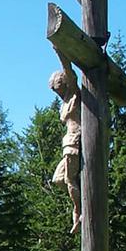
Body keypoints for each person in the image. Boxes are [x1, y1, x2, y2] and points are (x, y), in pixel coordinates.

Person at [49, 46, 82, 234]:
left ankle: (79, 212)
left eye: (58, 88)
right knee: (58, 179)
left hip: (75, 141)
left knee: (69, 179)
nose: (58, 93)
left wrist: (60, 50)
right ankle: (79, 202)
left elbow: (71, 73)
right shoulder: (64, 103)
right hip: (67, 143)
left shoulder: (75, 94)